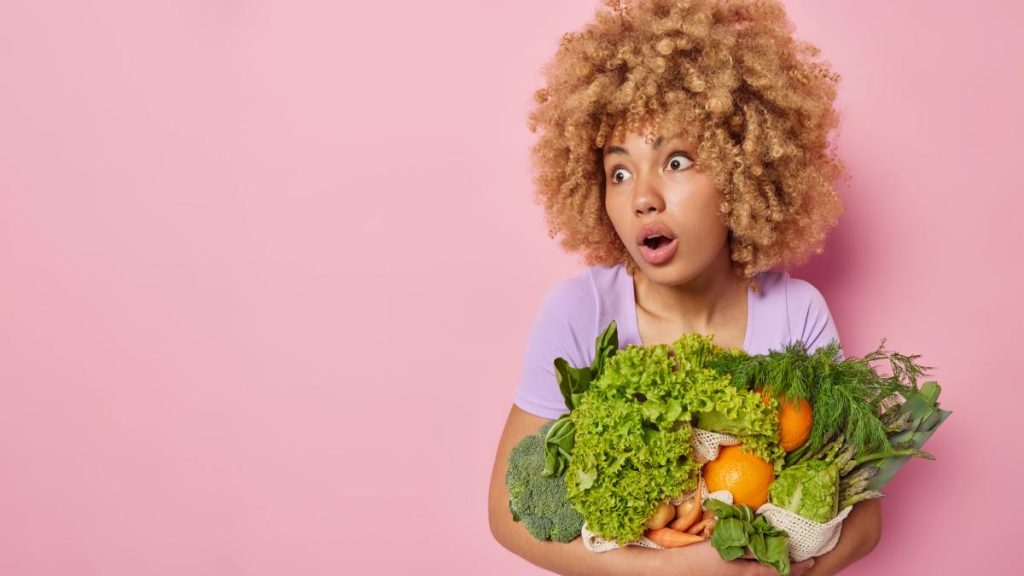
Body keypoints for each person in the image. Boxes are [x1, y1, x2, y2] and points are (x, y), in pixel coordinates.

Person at [488, 1, 882, 574]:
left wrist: (770, 572)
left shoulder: (795, 313)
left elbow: (864, 521)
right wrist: (678, 570)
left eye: (676, 161)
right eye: (619, 173)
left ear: (741, 171)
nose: (642, 197)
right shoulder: (580, 311)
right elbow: (506, 516)